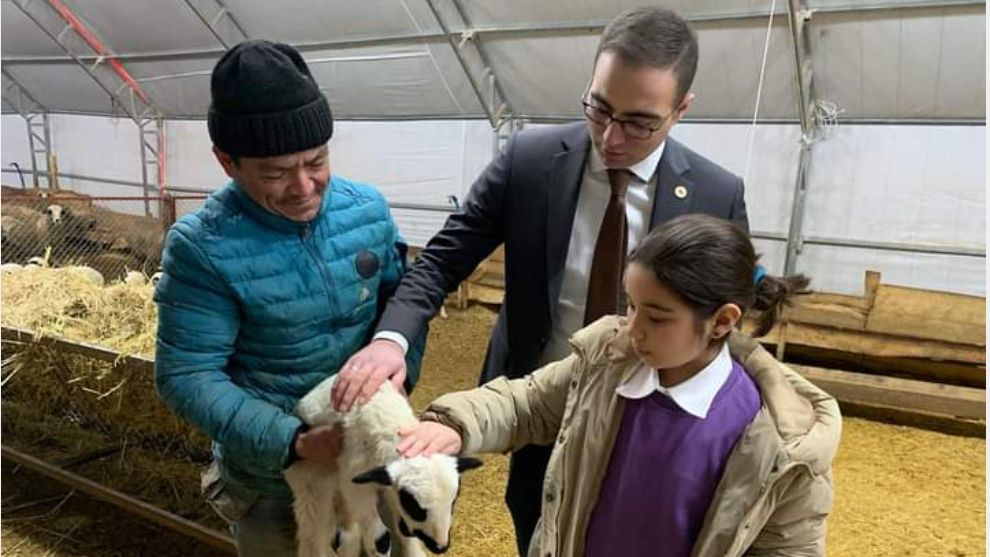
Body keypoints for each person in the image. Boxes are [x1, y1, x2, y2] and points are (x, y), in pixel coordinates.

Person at [332, 6, 749, 554]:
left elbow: (728, 324)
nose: (611, 135)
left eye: (639, 122)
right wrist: (391, 339)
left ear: (681, 110)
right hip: (534, 402)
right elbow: (440, 261)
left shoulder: (717, 194)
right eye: (599, 107)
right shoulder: (530, 162)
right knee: (536, 524)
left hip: (647, 419)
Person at [397, 214, 841, 557]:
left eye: (657, 316)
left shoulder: (785, 444)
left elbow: (788, 547)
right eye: (631, 306)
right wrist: (456, 423)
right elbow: (526, 403)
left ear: (722, 321)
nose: (634, 328)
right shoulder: (607, 366)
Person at [153, 40, 423, 556]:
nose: (304, 186)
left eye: (316, 161)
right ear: (227, 161)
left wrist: (401, 367)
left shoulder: (366, 209)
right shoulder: (202, 248)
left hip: (371, 451)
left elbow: (400, 304)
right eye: (275, 172)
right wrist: (292, 442)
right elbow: (186, 375)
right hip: (276, 480)